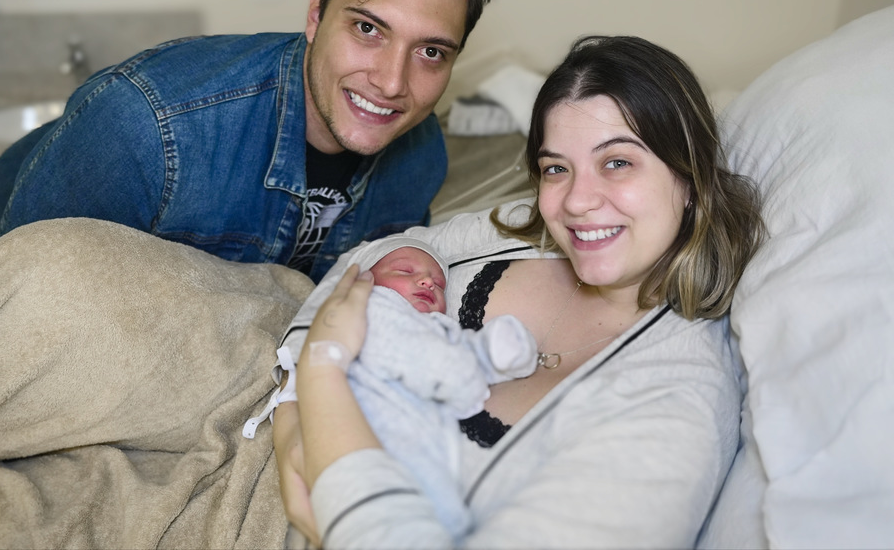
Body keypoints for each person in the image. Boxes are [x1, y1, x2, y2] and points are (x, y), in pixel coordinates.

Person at [272, 35, 765, 547]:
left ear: (688, 178)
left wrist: (322, 374)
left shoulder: (675, 408)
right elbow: (377, 254)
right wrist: (290, 418)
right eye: (557, 169)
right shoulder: (523, 232)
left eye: (617, 162)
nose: (576, 202)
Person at [0, 0, 499, 280]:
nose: (391, 82)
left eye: (431, 52)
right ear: (316, 14)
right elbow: (12, 299)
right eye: (367, 29)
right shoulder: (147, 124)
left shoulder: (421, 156)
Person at [249, 236, 537, 541]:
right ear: (364, 281)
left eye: (440, 284)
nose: (428, 281)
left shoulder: (436, 328)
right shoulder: (374, 307)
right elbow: (425, 361)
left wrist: (494, 352)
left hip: (419, 451)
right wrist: (464, 375)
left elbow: (455, 351)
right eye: (404, 271)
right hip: (364, 438)